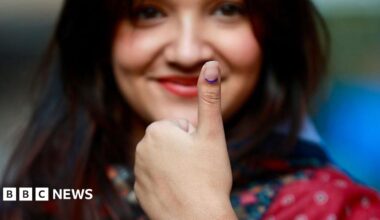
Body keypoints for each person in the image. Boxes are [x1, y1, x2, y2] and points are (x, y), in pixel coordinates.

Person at [1, 0, 379, 219]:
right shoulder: (41, 193)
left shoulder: (338, 208)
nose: (187, 53)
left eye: (227, 9)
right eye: (149, 11)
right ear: (98, 32)